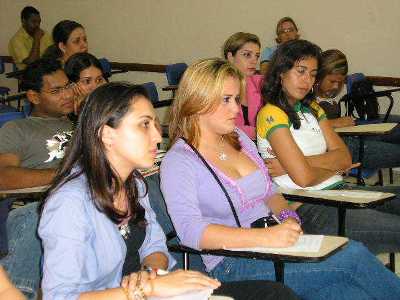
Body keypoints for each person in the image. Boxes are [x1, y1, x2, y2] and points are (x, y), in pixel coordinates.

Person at [160, 57, 400, 300]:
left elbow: (269, 191)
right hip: (233, 262)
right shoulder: (180, 161)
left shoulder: (239, 139)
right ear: (197, 101)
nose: (236, 109)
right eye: (226, 100)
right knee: (353, 255)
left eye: (235, 99)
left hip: (272, 243)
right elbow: (191, 231)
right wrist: (266, 237)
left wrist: (290, 219)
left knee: (348, 293)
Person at [39, 82, 298, 300]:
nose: (157, 136)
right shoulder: (69, 202)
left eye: (154, 124)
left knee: (273, 294)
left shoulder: (134, 184)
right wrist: (146, 288)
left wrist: (149, 273)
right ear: (107, 134)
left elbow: (155, 247)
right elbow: (60, 297)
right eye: (144, 125)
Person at [256, 39, 400, 254]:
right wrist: (329, 167)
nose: (307, 81)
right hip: (312, 206)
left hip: (340, 190)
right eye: (301, 71)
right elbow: (304, 178)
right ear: (281, 72)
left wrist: (294, 166)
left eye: (313, 74)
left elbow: (344, 158)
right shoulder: (271, 113)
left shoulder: (313, 108)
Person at [0, 58, 73, 257]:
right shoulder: (17, 129)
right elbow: (3, 177)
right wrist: (68, 173)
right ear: (34, 96)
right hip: (47, 205)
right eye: (56, 91)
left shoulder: (78, 123)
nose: (68, 95)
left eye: (67, 86)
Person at [314, 49, 400, 169]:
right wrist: (334, 123)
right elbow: (300, 127)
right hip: (341, 147)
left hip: (349, 135)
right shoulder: (306, 96)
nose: (336, 86)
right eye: (332, 81)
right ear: (319, 76)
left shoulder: (326, 96)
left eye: (340, 82)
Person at [223, 32, 263, 140]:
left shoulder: (260, 82)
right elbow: (221, 127)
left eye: (257, 56)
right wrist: (258, 132)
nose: (254, 61)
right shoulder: (218, 86)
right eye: (247, 55)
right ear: (230, 57)